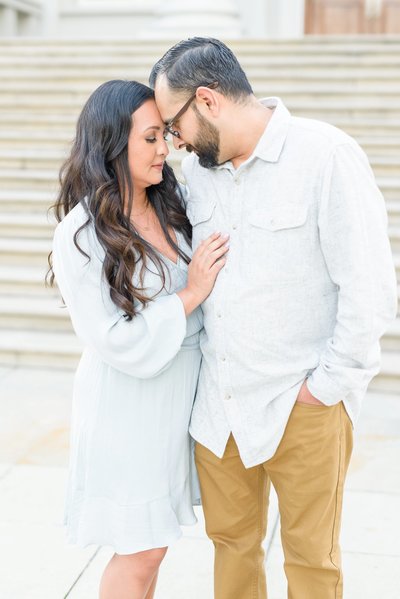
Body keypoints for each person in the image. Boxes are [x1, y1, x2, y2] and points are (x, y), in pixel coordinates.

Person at [150, 37, 398, 599]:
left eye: (173, 124)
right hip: (221, 409)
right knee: (231, 550)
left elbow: (369, 286)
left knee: (312, 561)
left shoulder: (325, 156)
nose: (174, 141)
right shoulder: (198, 176)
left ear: (207, 101)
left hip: (302, 404)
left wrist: (327, 388)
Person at [47, 79, 229, 599]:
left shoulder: (170, 203)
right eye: (150, 138)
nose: (165, 150)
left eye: (165, 136)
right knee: (140, 550)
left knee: (153, 547)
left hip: (173, 407)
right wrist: (191, 294)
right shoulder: (82, 233)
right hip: (127, 410)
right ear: (111, 142)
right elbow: (114, 339)